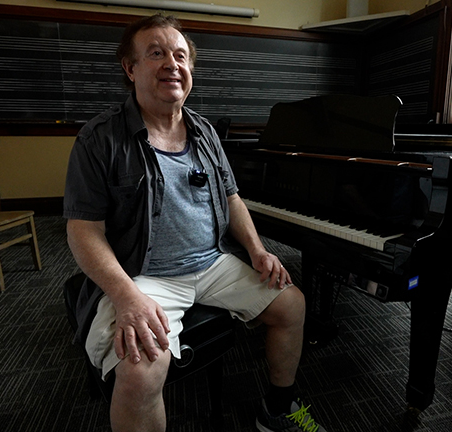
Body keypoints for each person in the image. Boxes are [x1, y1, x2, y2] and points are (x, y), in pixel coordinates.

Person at [63, 13, 325, 432]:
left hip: (212, 262)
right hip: (143, 273)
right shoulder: (98, 139)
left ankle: (278, 409)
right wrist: (126, 296)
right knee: (140, 367)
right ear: (130, 69)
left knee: (292, 304)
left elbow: (230, 197)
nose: (172, 63)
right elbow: (83, 230)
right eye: (156, 53)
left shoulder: (204, 132)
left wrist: (257, 250)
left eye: (181, 55)